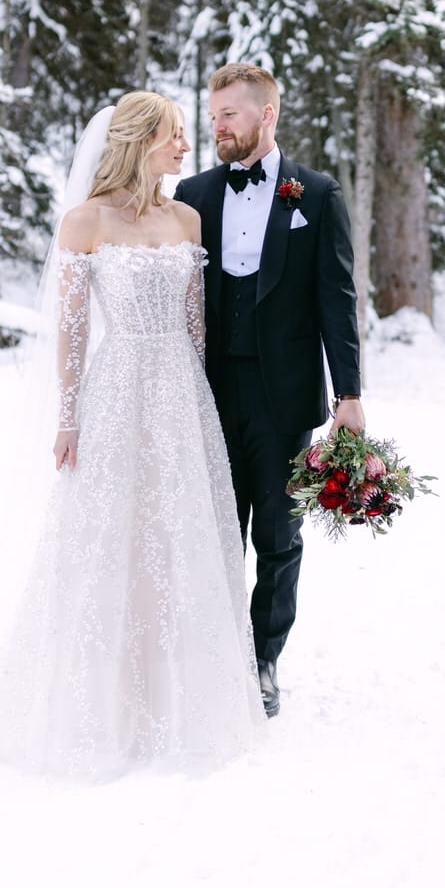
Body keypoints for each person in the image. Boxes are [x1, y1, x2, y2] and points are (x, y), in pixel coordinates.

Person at [0, 90, 266, 779]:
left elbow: (196, 327)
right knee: (111, 533)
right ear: (140, 140)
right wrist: (69, 418)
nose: (186, 148)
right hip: (115, 389)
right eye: (175, 135)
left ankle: (182, 694)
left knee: (178, 532)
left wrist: (201, 409)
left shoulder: (188, 219)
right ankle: (100, 699)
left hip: (179, 391)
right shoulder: (85, 222)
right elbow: (73, 330)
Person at [174, 63, 364, 718]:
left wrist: (350, 394)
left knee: (278, 538)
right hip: (206, 392)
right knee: (214, 530)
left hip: (284, 398)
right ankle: (214, 655)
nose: (217, 126)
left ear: (266, 114)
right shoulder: (192, 193)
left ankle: (262, 660)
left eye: (229, 113)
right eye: (213, 115)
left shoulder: (313, 194)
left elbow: (336, 299)